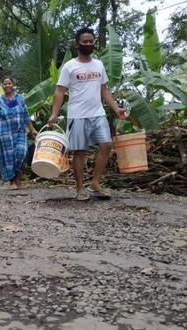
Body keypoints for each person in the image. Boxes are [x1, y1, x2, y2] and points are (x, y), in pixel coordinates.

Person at [48, 27, 127, 201]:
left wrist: (116, 108)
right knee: (80, 152)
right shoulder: (70, 66)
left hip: (98, 113)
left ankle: (95, 184)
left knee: (106, 145)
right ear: (77, 44)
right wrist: (54, 114)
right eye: (85, 41)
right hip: (77, 115)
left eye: (91, 41)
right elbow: (60, 91)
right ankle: (80, 188)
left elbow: (104, 90)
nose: (88, 44)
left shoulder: (98, 64)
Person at [0, 77, 38, 190]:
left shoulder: (19, 99)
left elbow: (25, 116)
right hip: (5, 134)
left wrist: (32, 129)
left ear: (13, 85)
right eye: (5, 84)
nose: (7, 85)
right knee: (9, 157)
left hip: (20, 131)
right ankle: (13, 181)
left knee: (21, 152)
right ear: (2, 86)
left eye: (9, 83)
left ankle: (17, 177)